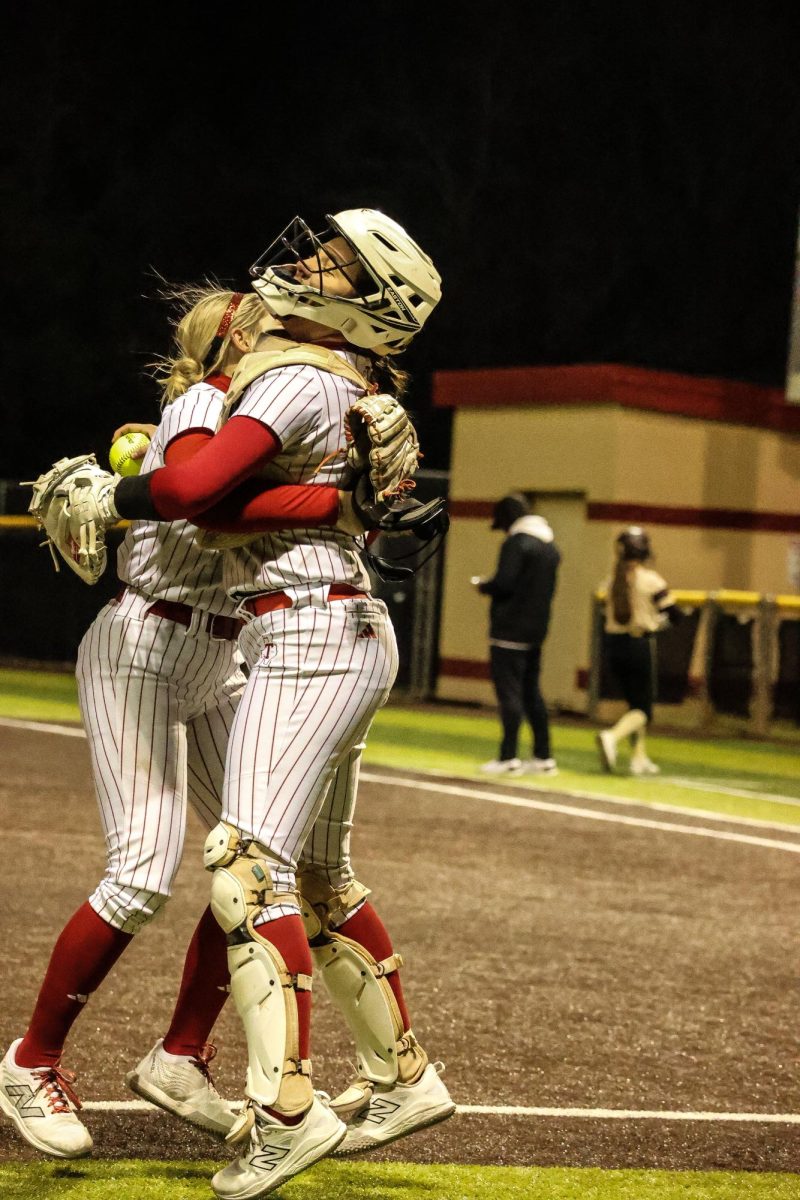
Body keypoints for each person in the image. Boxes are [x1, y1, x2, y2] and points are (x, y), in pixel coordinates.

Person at [60, 209, 455, 1199]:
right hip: (342, 622)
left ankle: (284, 1111)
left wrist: (116, 498)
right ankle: (401, 1076)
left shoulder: (291, 376)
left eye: (333, 262)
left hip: (306, 626)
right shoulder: (347, 382)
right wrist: (344, 504)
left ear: (365, 306)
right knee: (316, 871)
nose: (306, 262)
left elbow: (194, 491)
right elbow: (231, 501)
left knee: (246, 869)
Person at [0, 286, 374, 1161]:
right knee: (140, 875)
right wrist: (342, 502)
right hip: (147, 644)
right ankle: (30, 1060)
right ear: (231, 342)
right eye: (264, 326)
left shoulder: (247, 411)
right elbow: (200, 504)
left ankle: (180, 1057)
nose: (283, 335)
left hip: (219, 651)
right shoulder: (208, 402)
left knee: (257, 849)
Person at [473, 493, 560, 777]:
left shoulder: (516, 544)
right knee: (532, 693)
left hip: (509, 629)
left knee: (510, 694)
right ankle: (543, 756)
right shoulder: (550, 547)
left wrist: (484, 586)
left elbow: (505, 583)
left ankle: (508, 756)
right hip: (536, 630)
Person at [595, 526, 679, 776]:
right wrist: (656, 624)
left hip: (613, 645)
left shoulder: (612, 581)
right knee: (643, 710)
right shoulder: (650, 580)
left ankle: (638, 758)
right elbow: (674, 615)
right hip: (638, 644)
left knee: (633, 704)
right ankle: (612, 736)